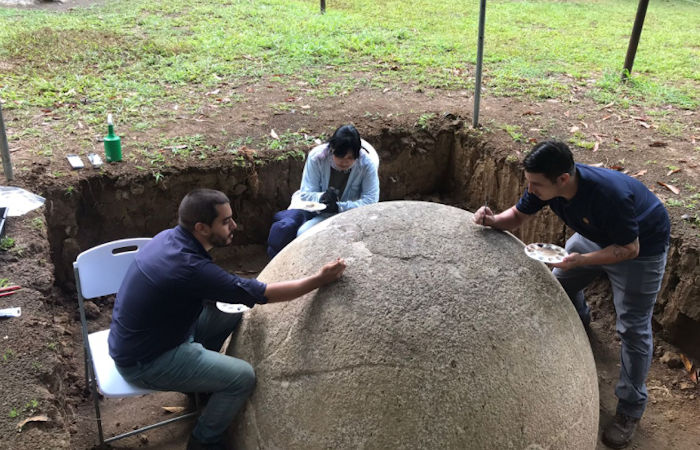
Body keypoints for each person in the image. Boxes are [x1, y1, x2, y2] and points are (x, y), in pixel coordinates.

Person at [108, 189, 346, 450]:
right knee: (242, 377)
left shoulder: (168, 239)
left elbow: (195, 288)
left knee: (228, 313)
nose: (235, 225)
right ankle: (204, 441)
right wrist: (319, 280)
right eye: (225, 221)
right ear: (201, 227)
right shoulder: (191, 269)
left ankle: (198, 386)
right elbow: (263, 294)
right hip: (146, 360)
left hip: (148, 336)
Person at [473, 140, 670, 450]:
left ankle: (630, 409)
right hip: (595, 237)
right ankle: (580, 319)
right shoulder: (546, 185)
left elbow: (629, 249)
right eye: (529, 183)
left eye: (536, 185)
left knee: (632, 328)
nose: (531, 189)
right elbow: (517, 216)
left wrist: (583, 260)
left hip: (641, 249)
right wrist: (492, 220)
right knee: (559, 285)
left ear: (562, 179)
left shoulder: (609, 197)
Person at [266, 124, 380, 257]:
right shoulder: (317, 157)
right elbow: (306, 193)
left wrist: (339, 207)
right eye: (340, 156)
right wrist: (323, 198)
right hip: (312, 209)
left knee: (304, 233)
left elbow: (371, 201)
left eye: (350, 158)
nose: (344, 162)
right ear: (332, 149)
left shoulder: (366, 164)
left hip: (349, 214)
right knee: (285, 230)